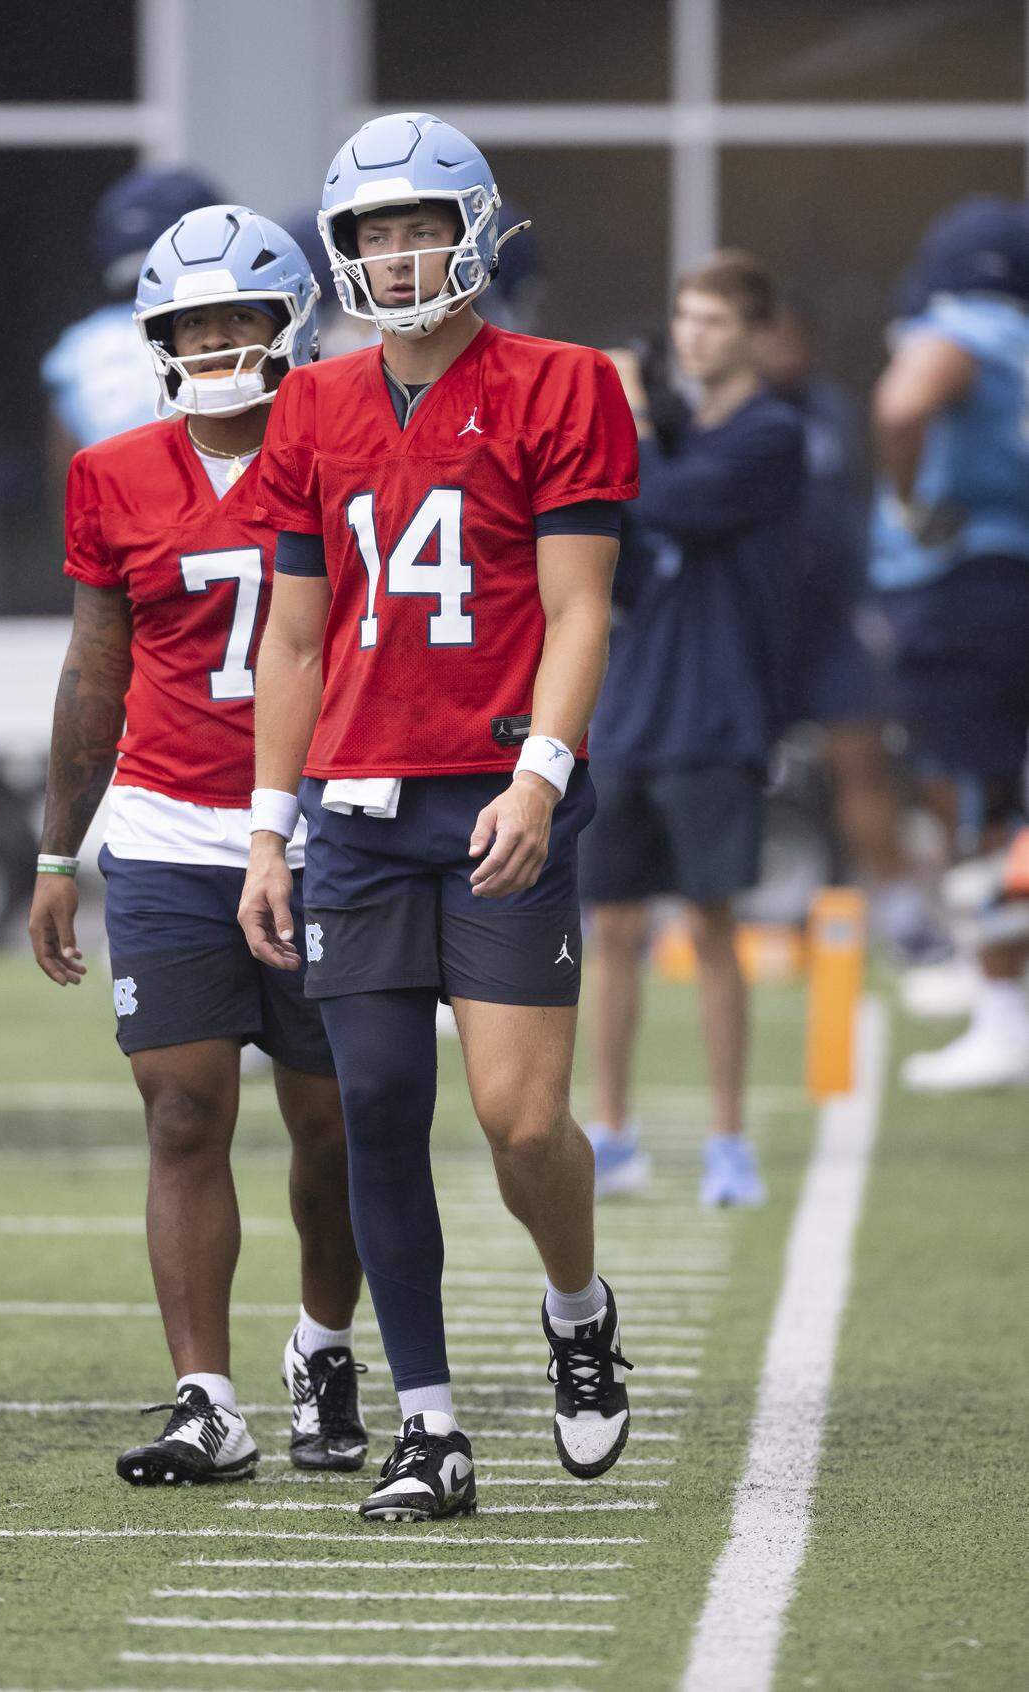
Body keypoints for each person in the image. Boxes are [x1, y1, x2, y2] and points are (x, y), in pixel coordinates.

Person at [238, 112, 639, 1522]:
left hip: (496, 793)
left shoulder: (566, 383)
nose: (396, 256)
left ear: (473, 229)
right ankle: (429, 1426)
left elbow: (583, 608)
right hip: (353, 808)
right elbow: (292, 642)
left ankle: (577, 1313)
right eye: (371, 233)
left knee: (522, 1124)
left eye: (418, 225)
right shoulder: (309, 405)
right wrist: (269, 826)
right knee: (377, 1114)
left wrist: (541, 769)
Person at [28, 204, 366, 1486]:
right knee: (181, 1112)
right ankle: (206, 1398)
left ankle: (325, 1347)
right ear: (156, 338)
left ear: (293, 324)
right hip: (170, 830)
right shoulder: (113, 473)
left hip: (327, 828)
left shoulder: (346, 455)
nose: (217, 342)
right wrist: (63, 853)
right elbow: (95, 670)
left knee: (331, 1122)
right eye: (191, 324)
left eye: (240, 318)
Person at [581, 251, 805, 1206]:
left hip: (716, 714)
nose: (695, 337)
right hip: (628, 708)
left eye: (715, 321)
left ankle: (727, 1143)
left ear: (753, 331)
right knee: (614, 930)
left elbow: (668, 501)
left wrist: (625, 418)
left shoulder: (771, 434)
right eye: (686, 318)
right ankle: (613, 1135)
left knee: (712, 928)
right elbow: (612, 551)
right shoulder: (668, 436)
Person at [871, 196, 1029, 1091]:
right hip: (1010, 582)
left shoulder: (968, 327)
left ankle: (1002, 1008)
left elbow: (902, 407)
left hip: (968, 590)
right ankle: (994, 983)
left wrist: (908, 504)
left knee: (972, 803)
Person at [760, 300, 946, 962]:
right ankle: (689, 910)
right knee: (712, 767)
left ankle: (904, 918)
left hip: (833, 622)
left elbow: (853, 513)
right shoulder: (731, 413)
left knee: (862, 761)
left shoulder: (831, 410)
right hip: (753, 627)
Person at [41, 167, 222, 488]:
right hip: (207, 522)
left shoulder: (79, 346)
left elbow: (66, 475)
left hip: (116, 523)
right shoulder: (219, 335)